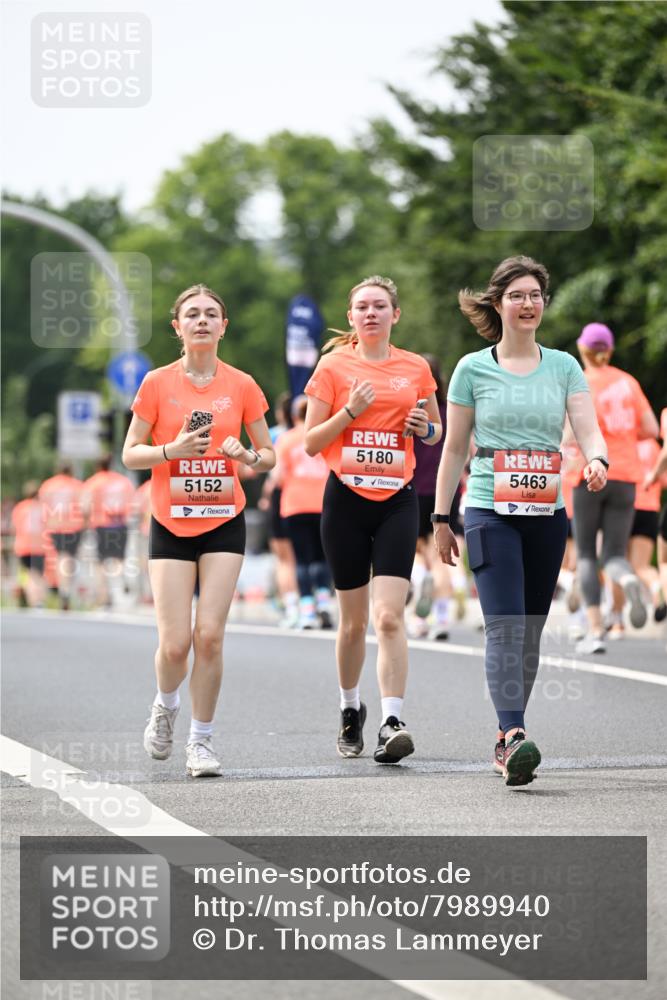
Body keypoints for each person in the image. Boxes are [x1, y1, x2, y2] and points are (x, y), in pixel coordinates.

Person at [433, 256, 608, 788]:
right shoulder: (472, 368)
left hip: (546, 513)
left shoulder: (563, 367)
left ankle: (507, 737)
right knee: (504, 627)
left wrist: (598, 460)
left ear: (544, 304)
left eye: (535, 295)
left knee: (530, 634)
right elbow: (455, 447)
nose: (527, 303)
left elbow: (587, 427)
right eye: (517, 295)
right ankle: (513, 734)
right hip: (488, 508)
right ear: (498, 303)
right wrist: (441, 517)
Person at [122, 283, 274, 778]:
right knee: (175, 644)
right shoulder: (157, 383)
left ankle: (201, 742)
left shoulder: (243, 384)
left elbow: (268, 456)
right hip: (170, 521)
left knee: (209, 637)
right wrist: (172, 451)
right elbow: (130, 453)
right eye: (193, 314)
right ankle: (165, 707)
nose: (203, 320)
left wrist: (245, 457)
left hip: (223, 521)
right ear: (178, 327)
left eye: (212, 314)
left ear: (224, 326)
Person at [304, 275, 441, 764]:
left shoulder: (415, 367)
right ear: (351, 318)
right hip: (345, 500)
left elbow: (434, 429)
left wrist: (425, 427)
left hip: (398, 501)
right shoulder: (333, 366)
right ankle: (349, 708)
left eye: (380, 306)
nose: (371, 314)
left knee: (388, 617)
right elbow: (311, 442)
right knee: (352, 622)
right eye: (362, 306)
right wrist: (349, 412)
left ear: (394, 315)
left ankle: (391, 721)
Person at [569, 323, 659, 653]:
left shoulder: (579, 380)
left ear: (583, 349)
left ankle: (595, 630)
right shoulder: (628, 382)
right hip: (627, 477)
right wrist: (622, 436)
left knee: (588, 554)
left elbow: (567, 434)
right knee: (616, 555)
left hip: (589, 473)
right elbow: (650, 428)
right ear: (610, 349)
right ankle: (629, 580)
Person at [408, 354, 462, 640]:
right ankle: (442, 616)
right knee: (440, 555)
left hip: (414, 489)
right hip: (447, 491)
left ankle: (420, 617)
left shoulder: (410, 413)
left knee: (416, 554)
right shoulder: (449, 411)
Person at [274, 395, 333, 629]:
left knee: (301, 559)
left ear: (294, 415)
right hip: (323, 503)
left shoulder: (286, 439)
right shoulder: (325, 436)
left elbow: (278, 477)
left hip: (295, 504)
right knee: (323, 556)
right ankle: (324, 602)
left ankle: (307, 610)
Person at [83, 455, 136, 609]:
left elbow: (85, 506)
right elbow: (132, 502)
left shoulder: (93, 482)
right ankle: (121, 578)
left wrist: (86, 522)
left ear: (98, 467)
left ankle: (105, 595)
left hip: (101, 525)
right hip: (120, 524)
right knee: (119, 559)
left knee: (101, 562)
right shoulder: (122, 481)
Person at [38, 463, 86, 610]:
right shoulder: (77, 485)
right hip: (74, 526)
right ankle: (68, 589)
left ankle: (64, 589)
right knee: (71, 558)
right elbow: (85, 506)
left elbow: (42, 506)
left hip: (56, 526)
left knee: (61, 557)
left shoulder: (48, 485)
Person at [11, 481, 47, 607]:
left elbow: (15, 526)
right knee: (38, 575)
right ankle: (39, 599)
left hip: (23, 546)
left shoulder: (20, 507)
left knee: (28, 574)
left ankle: (33, 599)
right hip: (39, 547)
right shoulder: (41, 508)